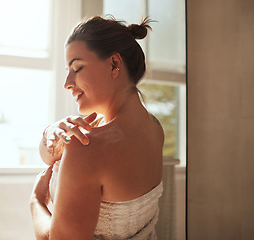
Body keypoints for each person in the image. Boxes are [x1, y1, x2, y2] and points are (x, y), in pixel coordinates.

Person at [30, 15, 164, 240]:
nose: (67, 83)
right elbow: (48, 156)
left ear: (114, 64)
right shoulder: (155, 129)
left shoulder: (88, 147)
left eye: (77, 68)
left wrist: (35, 201)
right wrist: (51, 132)